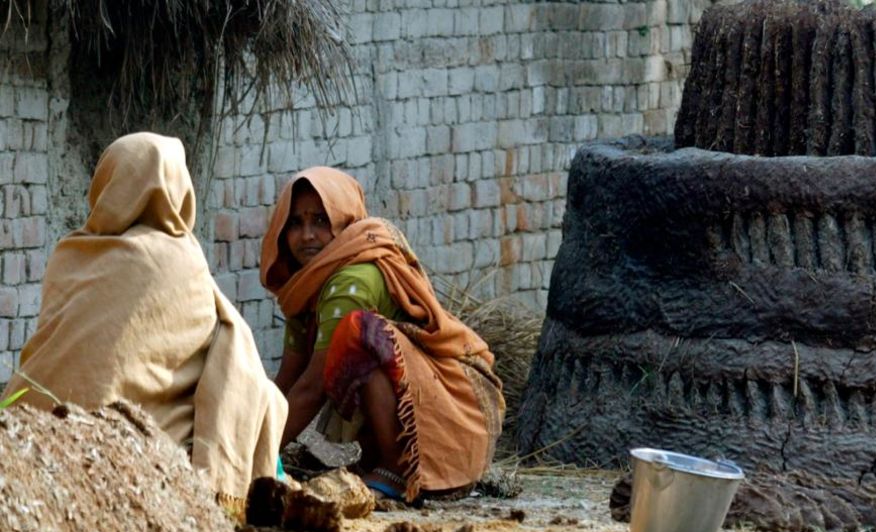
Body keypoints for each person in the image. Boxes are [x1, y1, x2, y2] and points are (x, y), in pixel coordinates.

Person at [0, 132, 287, 509]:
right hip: (140, 451)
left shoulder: (69, 254)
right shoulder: (183, 260)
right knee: (256, 394)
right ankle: (233, 496)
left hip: (36, 435)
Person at [260, 167, 504, 502]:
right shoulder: (307, 285)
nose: (307, 235)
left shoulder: (350, 281)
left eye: (320, 221)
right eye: (296, 223)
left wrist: (256, 454)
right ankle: (383, 460)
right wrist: (241, 438)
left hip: (453, 423)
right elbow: (288, 378)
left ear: (346, 225)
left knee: (362, 334)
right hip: (426, 417)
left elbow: (311, 388)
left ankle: (395, 469)